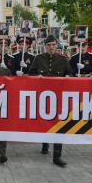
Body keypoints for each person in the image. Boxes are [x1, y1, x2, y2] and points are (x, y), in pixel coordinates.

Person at [29, 35, 71, 167]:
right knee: (45, 122)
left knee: (59, 124)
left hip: (58, 97)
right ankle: (45, 143)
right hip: (43, 96)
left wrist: (70, 76)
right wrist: (37, 76)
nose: (51, 47)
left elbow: (70, 74)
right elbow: (30, 73)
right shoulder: (39, 59)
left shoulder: (63, 60)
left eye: (53, 45)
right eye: (49, 45)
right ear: (45, 46)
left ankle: (57, 155)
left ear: (56, 45)